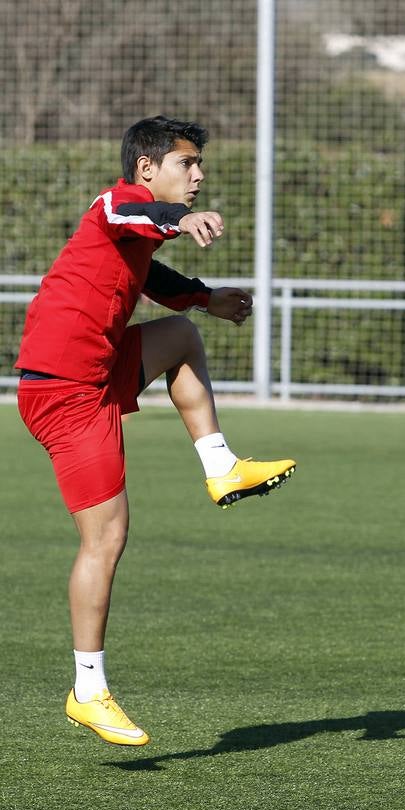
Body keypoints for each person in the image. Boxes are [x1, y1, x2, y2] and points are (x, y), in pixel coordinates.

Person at [16, 115, 296, 748]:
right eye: (186, 164)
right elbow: (135, 217)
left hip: (92, 369)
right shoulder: (119, 203)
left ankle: (221, 465)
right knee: (106, 537)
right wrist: (178, 220)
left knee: (180, 336)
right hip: (63, 390)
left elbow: (153, 278)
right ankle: (88, 691)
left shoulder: (140, 227)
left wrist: (204, 297)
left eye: (198, 165)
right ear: (147, 169)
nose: (197, 176)